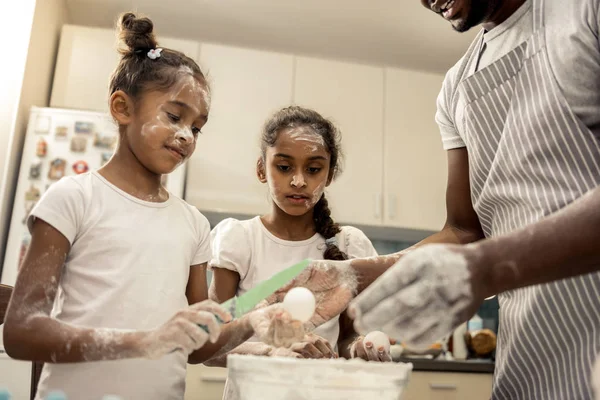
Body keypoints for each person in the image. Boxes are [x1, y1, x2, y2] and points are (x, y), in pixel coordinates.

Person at [277, 0, 600, 399]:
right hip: (530, 344)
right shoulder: (457, 88)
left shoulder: (582, 12)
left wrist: (483, 267)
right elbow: (465, 232)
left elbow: (476, 256)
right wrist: (354, 274)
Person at [3, 13, 297, 400]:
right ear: (123, 108)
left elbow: (199, 346)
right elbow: (21, 333)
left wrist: (255, 322)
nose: (186, 136)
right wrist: (145, 341)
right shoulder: (73, 198)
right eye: (174, 116)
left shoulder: (192, 223)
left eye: (196, 127)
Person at [207, 106, 391, 399]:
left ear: (329, 175)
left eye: (314, 169)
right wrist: (273, 351)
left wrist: (360, 349)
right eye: (284, 167)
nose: (299, 181)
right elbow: (210, 344)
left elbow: (346, 339)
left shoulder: (347, 245)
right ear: (261, 169)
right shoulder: (240, 239)